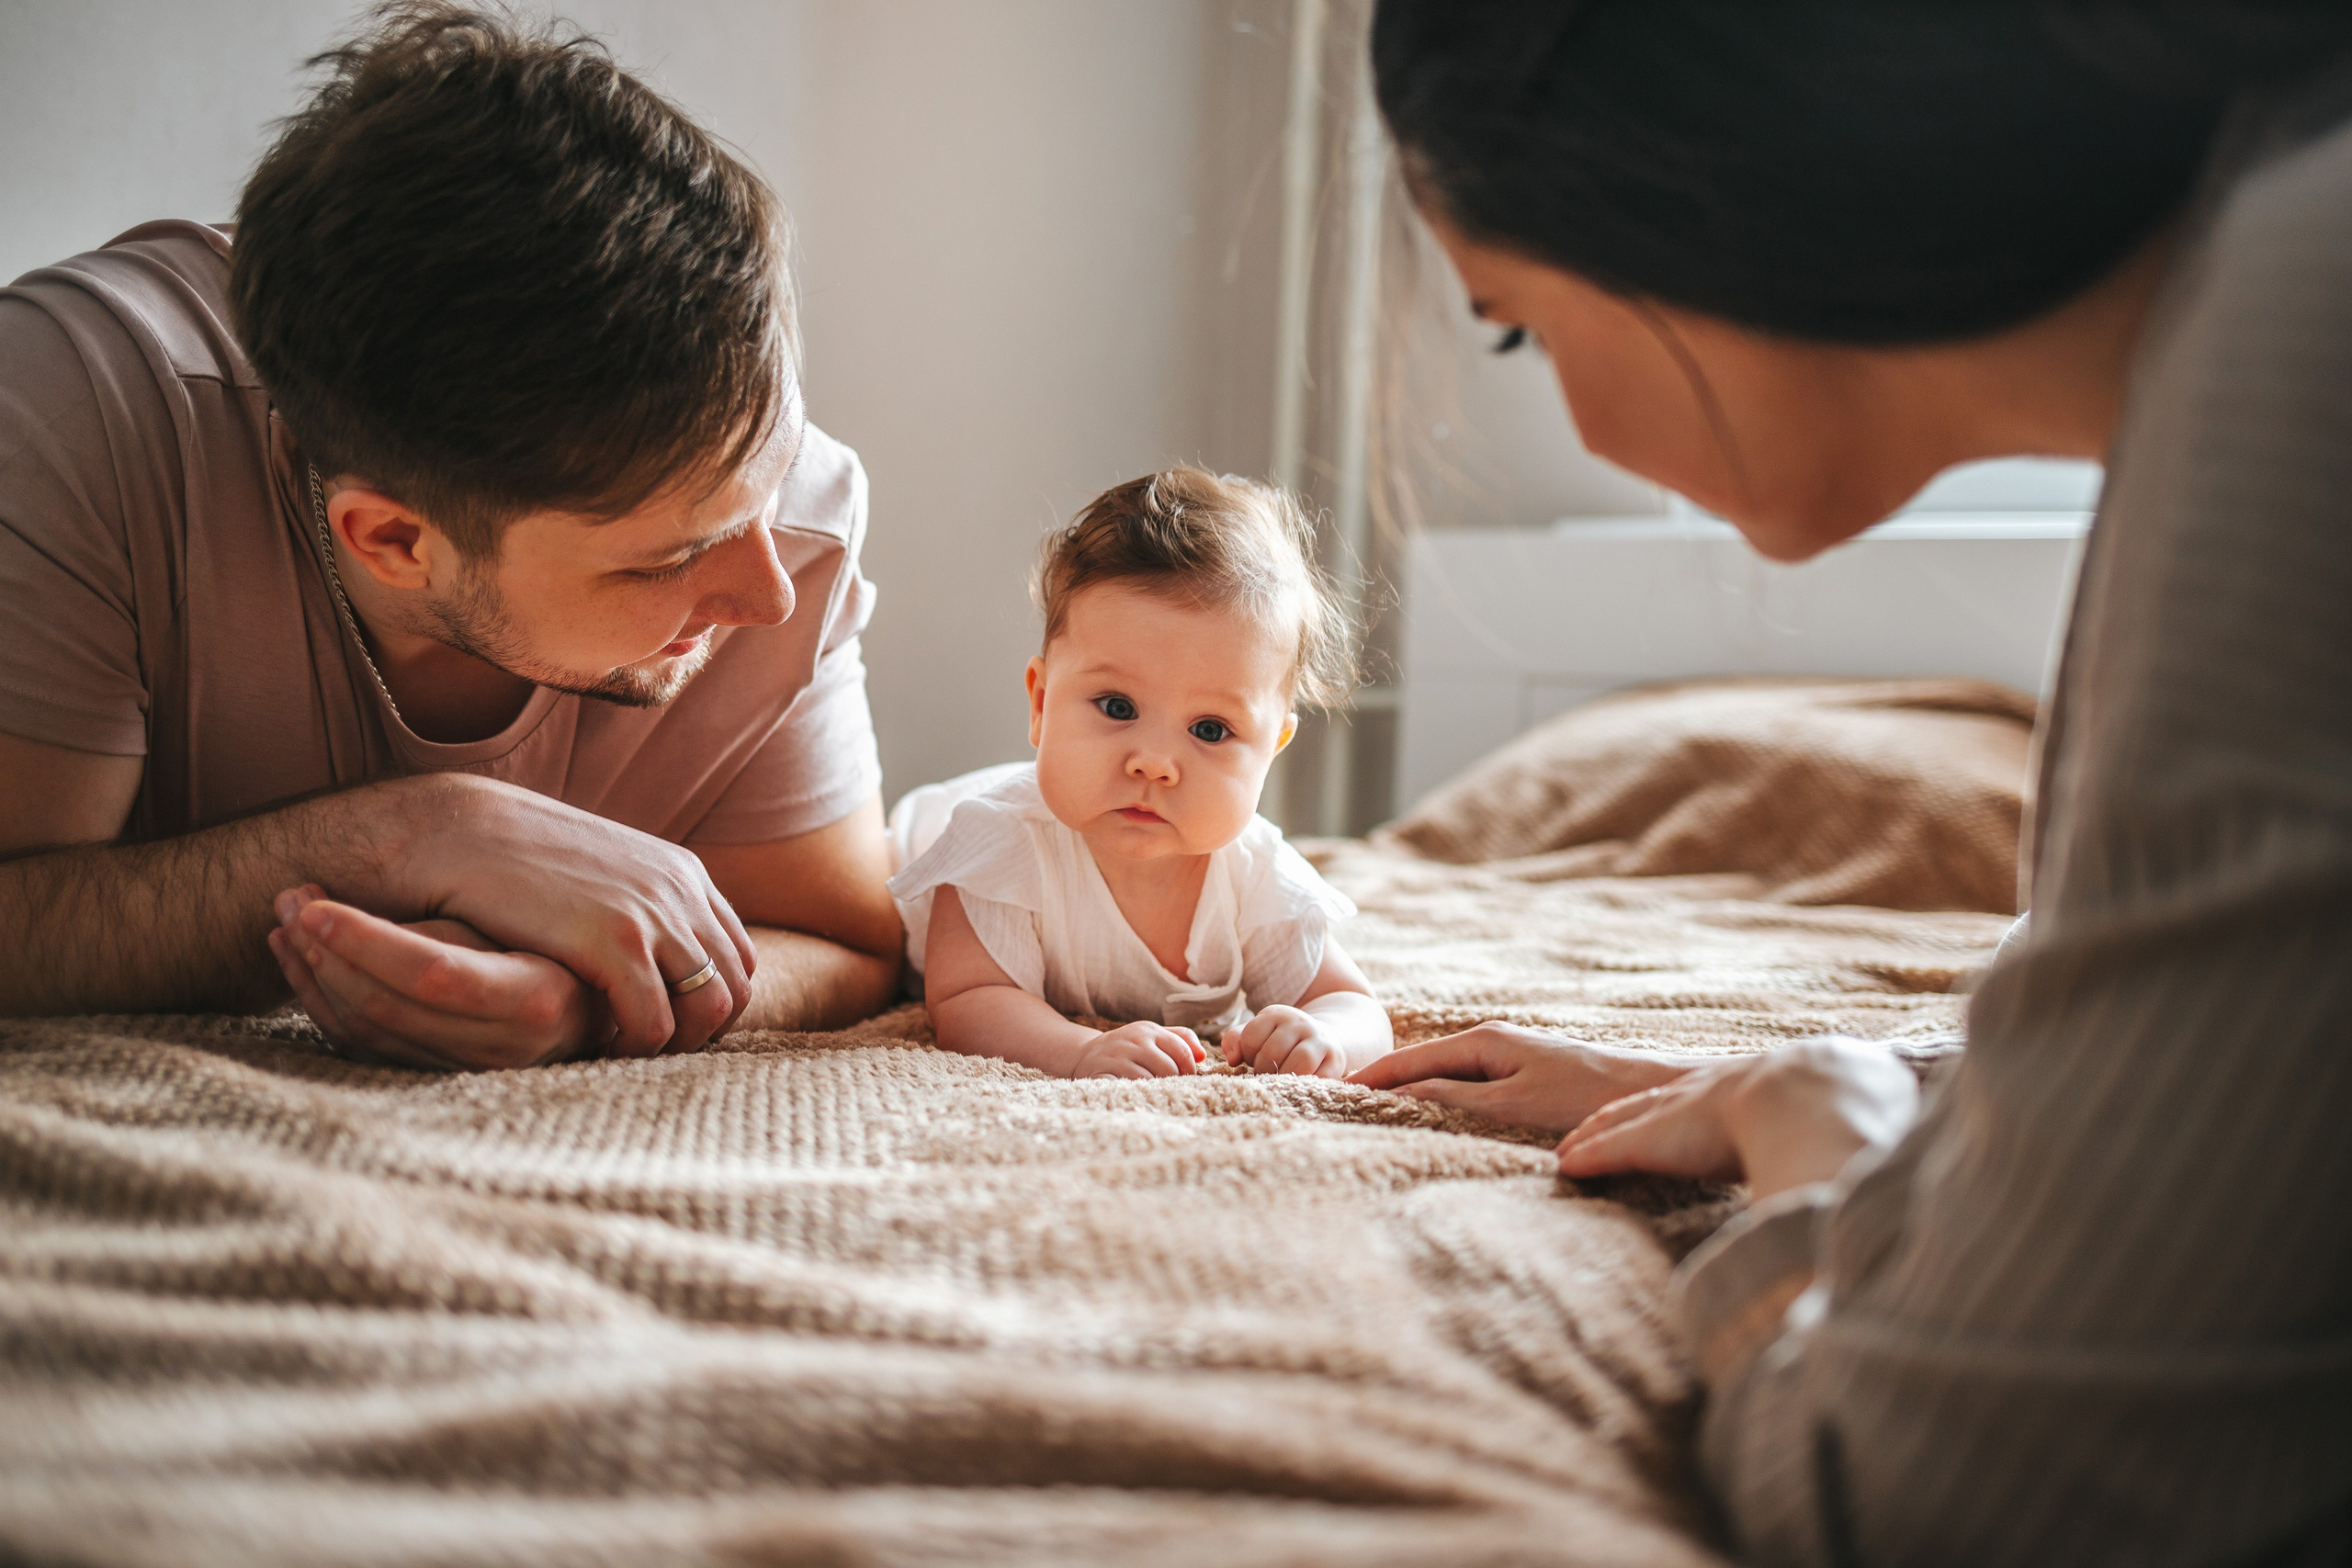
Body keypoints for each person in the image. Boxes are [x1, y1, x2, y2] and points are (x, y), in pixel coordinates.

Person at [1347, 6, 2352, 1564]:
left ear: (1678, 183)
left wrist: (1818, 1121)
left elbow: (1934, 1497)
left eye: (1516, 326)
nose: (1578, 419)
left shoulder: (2296, 350)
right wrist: (1909, 1090)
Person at [0, 4, 904, 1070]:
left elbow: (850, 942)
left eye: (766, 484)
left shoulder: (780, 514)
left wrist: (589, 1001)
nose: (770, 597)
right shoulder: (70, 416)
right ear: (391, 540)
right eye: (665, 560)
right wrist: (411, 838)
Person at [887, 468, 1392, 1080]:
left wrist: (1327, 1035)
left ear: (1272, 745)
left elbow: (1355, 1005)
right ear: (1042, 703)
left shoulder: (1254, 873)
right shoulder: (999, 844)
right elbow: (969, 1000)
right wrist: (1076, 1050)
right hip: (911, 840)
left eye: (1210, 730)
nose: (1152, 761)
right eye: (1117, 707)